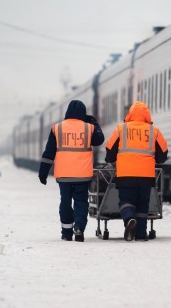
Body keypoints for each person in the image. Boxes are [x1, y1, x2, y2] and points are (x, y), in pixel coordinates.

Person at [39, 100, 104, 242]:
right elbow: (99, 140)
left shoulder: (57, 128)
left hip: (64, 175)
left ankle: (67, 232)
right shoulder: (88, 128)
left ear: (67, 112)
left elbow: (49, 152)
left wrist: (43, 173)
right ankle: (79, 228)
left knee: (65, 201)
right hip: (82, 174)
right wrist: (94, 123)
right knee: (81, 201)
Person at [105, 101, 167, 241]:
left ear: (130, 114)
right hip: (146, 175)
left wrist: (111, 159)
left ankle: (129, 220)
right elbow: (163, 155)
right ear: (147, 115)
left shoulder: (121, 129)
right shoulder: (154, 131)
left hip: (125, 175)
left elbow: (109, 151)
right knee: (143, 204)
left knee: (126, 201)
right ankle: (141, 234)